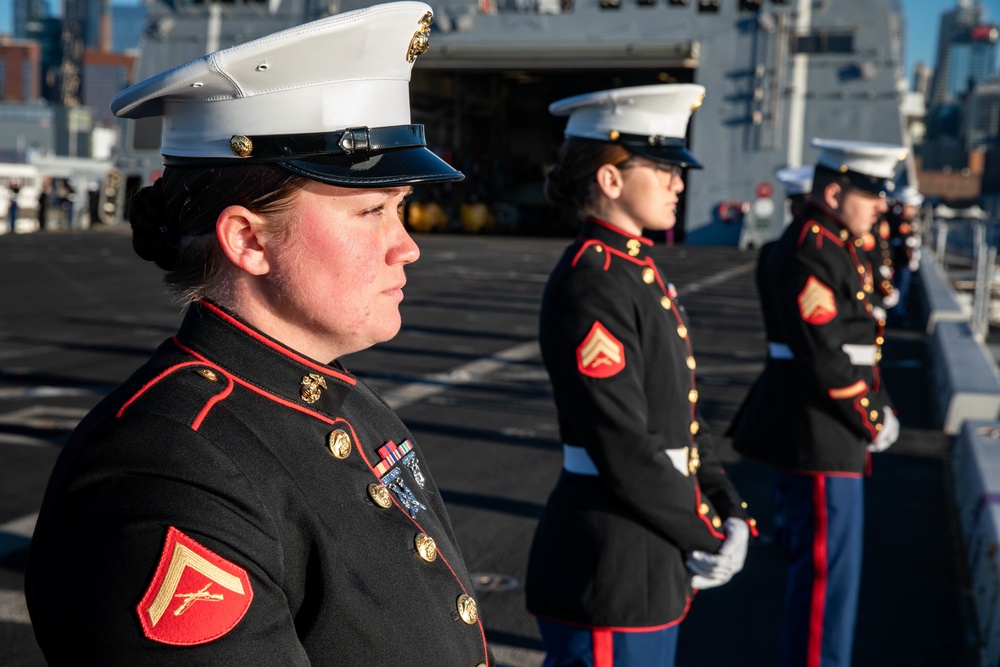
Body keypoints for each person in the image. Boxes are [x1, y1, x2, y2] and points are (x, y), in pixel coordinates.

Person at [25, 4, 492, 666]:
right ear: (247, 238)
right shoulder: (169, 472)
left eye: (401, 208)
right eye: (370, 212)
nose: (407, 246)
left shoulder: (344, 402)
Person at [524, 84, 756, 667]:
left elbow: (683, 420)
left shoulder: (633, 270)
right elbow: (624, 445)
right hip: (611, 561)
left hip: (648, 553)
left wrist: (728, 507)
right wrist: (708, 531)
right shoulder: (593, 281)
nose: (680, 182)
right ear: (610, 178)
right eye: (664, 167)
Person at [729, 138, 904, 667]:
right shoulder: (812, 248)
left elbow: (852, 346)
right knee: (827, 583)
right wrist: (872, 416)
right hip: (824, 428)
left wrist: (879, 406)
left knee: (830, 577)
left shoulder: (835, 243)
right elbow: (826, 356)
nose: (880, 205)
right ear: (834, 191)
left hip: (831, 427)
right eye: (870, 193)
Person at [886, 186, 925, 327]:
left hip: (903, 263)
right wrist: (909, 257)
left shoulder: (904, 221)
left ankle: (898, 315)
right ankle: (895, 319)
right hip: (899, 263)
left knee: (902, 292)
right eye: (912, 207)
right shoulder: (898, 221)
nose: (914, 210)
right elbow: (903, 244)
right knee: (898, 292)